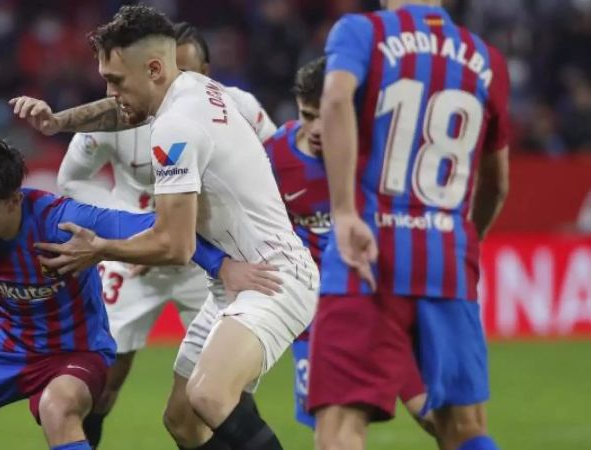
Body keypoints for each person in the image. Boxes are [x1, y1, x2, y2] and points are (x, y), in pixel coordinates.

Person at [11, 6, 318, 449]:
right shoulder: (194, 86)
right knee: (182, 419)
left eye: (116, 80)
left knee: (208, 394)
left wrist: (98, 248)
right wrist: (61, 122)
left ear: (154, 69)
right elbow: (121, 112)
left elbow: (175, 245)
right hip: (231, 278)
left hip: (272, 277)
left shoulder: (174, 129)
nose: (110, 91)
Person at [0, 135, 274, 450]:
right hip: (0, 349)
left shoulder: (61, 221)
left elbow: (161, 229)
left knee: (58, 407)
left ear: (14, 200)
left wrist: (223, 265)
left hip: (76, 351)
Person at [58, 21, 276, 448]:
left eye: (189, 73)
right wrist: (131, 223)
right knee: (102, 381)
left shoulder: (235, 107)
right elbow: (72, 179)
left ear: (207, 72)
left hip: (206, 261)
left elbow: (275, 162)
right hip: (133, 256)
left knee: (217, 387)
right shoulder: (123, 113)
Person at [310, 1, 510, 449]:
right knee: (465, 428)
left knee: (340, 426)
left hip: (367, 257)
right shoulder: (488, 59)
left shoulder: (362, 33)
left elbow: (337, 97)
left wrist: (343, 212)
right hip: (448, 265)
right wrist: (460, 240)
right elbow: (498, 183)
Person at [265, 56, 435, 436]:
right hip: (316, 320)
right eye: (308, 115)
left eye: (325, 114)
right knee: (329, 430)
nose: (317, 128)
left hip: (379, 308)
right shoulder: (275, 156)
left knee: (436, 417)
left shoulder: (379, 158)